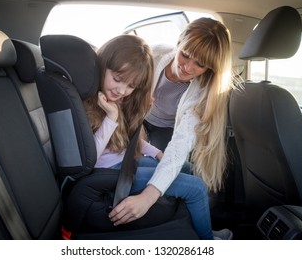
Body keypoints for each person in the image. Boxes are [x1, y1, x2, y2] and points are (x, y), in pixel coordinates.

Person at [106, 18, 235, 240]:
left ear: (210, 67)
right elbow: (118, 93)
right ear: (178, 43)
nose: (187, 67)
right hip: (135, 119)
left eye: (200, 64)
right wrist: (148, 195)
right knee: (167, 174)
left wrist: (150, 195)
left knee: (184, 167)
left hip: (167, 126)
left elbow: (180, 145)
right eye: (185, 54)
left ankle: (189, 227)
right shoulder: (153, 56)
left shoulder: (204, 92)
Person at [84, 34, 219, 239]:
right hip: (108, 173)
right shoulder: (91, 106)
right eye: (118, 79)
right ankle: (208, 241)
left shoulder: (116, 99)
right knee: (197, 188)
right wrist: (111, 118)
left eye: (131, 86)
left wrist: (158, 154)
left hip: (125, 161)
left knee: (188, 168)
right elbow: (89, 159)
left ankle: (191, 224)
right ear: (103, 66)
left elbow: (129, 139)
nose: (121, 90)